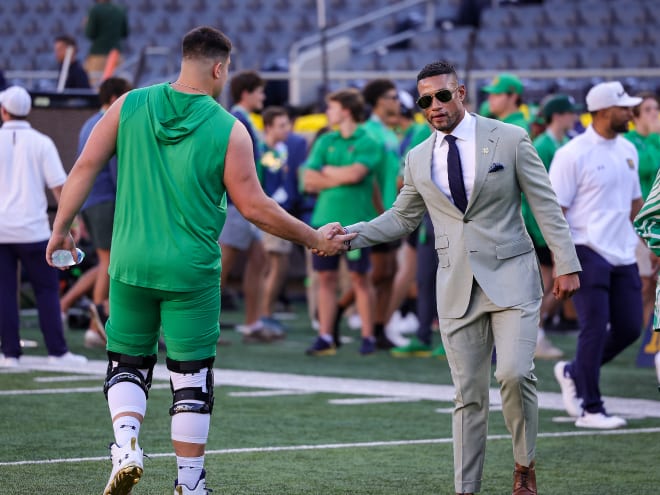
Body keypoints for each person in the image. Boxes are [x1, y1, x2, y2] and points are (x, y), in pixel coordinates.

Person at [45, 26, 353, 495]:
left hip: (130, 263)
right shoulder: (230, 127)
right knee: (191, 379)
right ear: (218, 67)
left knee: (126, 362)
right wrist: (313, 238)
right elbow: (255, 207)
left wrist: (61, 227)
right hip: (191, 270)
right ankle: (190, 484)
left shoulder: (128, 105)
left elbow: (84, 165)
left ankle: (126, 447)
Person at [343, 61, 581, 495]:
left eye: (442, 95)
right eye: (424, 100)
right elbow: (401, 218)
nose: (434, 106)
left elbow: (545, 204)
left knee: (512, 373)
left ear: (461, 92)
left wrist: (566, 262)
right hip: (456, 287)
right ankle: (465, 487)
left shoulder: (509, 138)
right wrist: (348, 237)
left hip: (513, 275)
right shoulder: (417, 156)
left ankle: (523, 466)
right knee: (467, 395)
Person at [550, 81, 643, 430]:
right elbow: (554, 210)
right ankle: (591, 408)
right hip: (586, 249)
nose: (630, 113)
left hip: (623, 252)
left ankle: (575, 372)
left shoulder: (628, 149)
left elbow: (635, 203)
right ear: (604, 111)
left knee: (630, 328)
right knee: (592, 327)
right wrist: (564, 260)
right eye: (624, 108)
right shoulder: (572, 154)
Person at [0, 85, 87, 368]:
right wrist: (72, 222)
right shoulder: (42, 142)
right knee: (47, 291)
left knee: (4, 291)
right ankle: (57, 352)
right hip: (34, 231)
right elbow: (60, 188)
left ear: (3, 110)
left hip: (2, 231)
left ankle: (10, 353)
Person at [303, 88, 381, 356]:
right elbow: (308, 180)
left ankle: (368, 337)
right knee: (325, 278)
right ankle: (326, 336)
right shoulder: (326, 140)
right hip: (324, 220)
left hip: (356, 221)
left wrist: (327, 172)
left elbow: (356, 174)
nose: (328, 113)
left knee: (360, 278)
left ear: (346, 110)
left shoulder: (368, 140)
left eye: (332, 107)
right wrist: (339, 175)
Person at [78, 77, 132, 347]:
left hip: (92, 201)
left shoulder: (89, 123)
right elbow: (116, 171)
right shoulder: (110, 123)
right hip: (106, 201)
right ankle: (97, 323)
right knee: (109, 264)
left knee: (106, 263)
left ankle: (95, 324)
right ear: (114, 99)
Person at [219, 70, 271, 341]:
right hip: (236, 204)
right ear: (246, 93)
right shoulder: (237, 118)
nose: (263, 96)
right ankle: (203, 327)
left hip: (246, 202)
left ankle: (253, 323)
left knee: (259, 259)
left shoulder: (246, 119)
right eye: (259, 91)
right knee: (221, 266)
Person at [528, 94, 579, 360]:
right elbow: (535, 191)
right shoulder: (544, 145)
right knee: (547, 284)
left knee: (550, 284)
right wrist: (540, 229)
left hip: (554, 225)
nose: (575, 117)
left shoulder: (563, 143)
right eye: (570, 113)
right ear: (558, 115)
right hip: (542, 225)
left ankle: (535, 334)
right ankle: (533, 336)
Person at [258, 106, 300, 331]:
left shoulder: (278, 149)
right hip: (271, 215)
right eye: (281, 125)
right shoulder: (264, 151)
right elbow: (264, 186)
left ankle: (265, 312)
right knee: (277, 265)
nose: (287, 129)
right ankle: (264, 314)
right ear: (268, 128)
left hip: (281, 213)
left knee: (275, 266)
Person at [625, 93, 660, 330]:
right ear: (635, 116)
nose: (654, 114)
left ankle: (648, 336)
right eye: (648, 110)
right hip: (638, 221)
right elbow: (648, 165)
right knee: (644, 281)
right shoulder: (630, 141)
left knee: (652, 281)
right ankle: (634, 330)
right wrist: (656, 135)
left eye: (656, 109)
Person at [84, 0, 129, 85]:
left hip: (98, 55)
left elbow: (90, 33)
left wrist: (87, 23)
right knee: (116, 87)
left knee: (96, 87)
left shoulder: (95, 10)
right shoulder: (120, 10)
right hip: (117, 55)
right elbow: (125, 33)